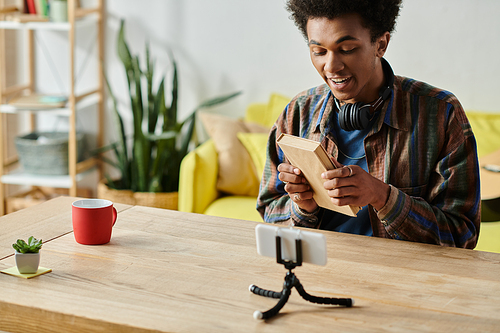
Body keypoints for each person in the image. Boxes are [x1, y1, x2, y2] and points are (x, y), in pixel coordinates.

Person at [256, 0, 481, 248]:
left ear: (381, 44)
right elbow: (269, 211)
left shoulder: (441, 114)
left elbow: (462, 236)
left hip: (402, 278)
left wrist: (382, 196)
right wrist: (302, 206)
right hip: (318, 273)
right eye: (319, 51)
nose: (331, 66)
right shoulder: (298, 113)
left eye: (348, 48)